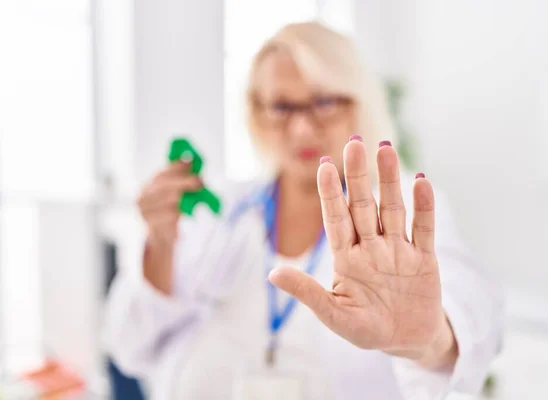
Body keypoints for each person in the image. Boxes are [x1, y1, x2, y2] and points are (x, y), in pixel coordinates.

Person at [103, 22, 504, 400]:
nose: (302, 130)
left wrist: (430, 338)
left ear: (357, 103)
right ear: (256, 112)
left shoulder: (395, 206)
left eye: (323, 102)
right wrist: (161, 240)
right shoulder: (224, 210)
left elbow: (472, 311)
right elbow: (128, 346)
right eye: (281, 107)